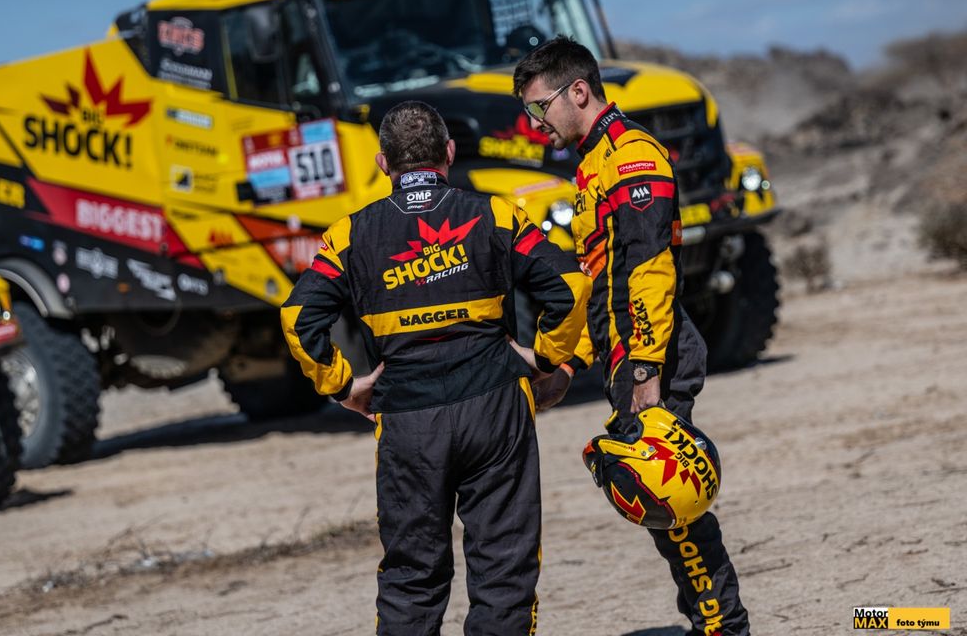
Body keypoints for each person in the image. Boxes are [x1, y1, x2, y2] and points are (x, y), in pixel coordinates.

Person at [280, 101, 589, 635]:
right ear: (449, 152)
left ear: (383, 164)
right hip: (496, 408)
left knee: (411, 578)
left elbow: (297, 319)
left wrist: (344, 386)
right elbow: (570, 286)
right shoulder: (497, 214)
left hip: (407, 418)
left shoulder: (349, 234)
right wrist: (544, 358)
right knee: (504, 571)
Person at [513, 36, 751, 636]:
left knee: (674, 504)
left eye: (539, 107)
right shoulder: (592, 162)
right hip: (627, 354)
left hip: (654, 356)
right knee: (665, 509)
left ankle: (724, 627)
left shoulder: (632, 157)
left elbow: (648, 269)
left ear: (578, 91)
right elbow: (601, 282)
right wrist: (570, 365)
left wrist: (645, 371)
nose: (534, 122)